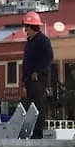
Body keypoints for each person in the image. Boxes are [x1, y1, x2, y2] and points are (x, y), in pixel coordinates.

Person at [21, 11, 53, 139]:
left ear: (33, 27)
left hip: (39, 80)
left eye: (27, 28)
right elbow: (26, 62)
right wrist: (24, 80)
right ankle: (31, 131)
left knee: (39, 105)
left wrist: (37, 72)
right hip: (29, 81)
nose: (25, 31)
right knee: (30, 106)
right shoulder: (29, 42)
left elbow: (48, 58)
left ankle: (39, 132)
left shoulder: (43, 41)